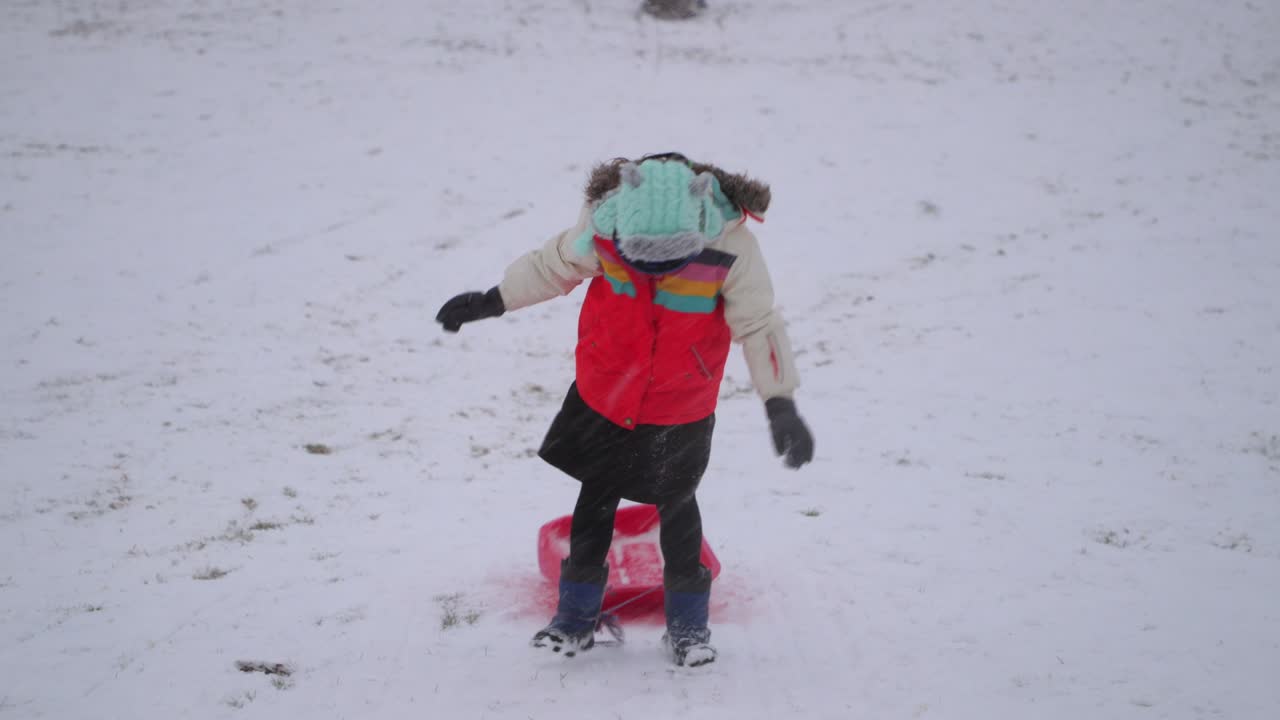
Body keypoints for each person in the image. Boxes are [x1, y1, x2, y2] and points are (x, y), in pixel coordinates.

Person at [435, 152, 814, 666]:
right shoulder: (605, 225)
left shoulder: (731, 248)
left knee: (678, 507)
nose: (655, 269)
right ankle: (575, 621)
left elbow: (758, 324)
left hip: (681, 403)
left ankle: (688, 628)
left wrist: (780, 402)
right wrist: (493, 299)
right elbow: (552, 267)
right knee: (596, 500)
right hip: (607, 392)